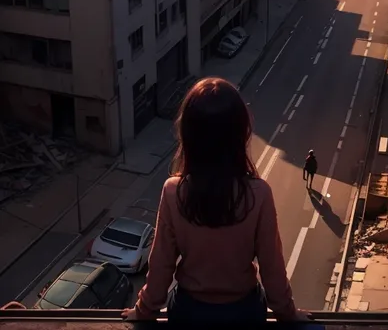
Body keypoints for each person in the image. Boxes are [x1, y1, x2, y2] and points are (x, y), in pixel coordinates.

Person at [122, 77, 308, 324]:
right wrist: (288, 314)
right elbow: (271, 267)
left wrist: (143, 312)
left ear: (188, 134)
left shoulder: (174, 191)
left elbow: (161, 265)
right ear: (240, 133)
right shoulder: (259, 193)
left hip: (189, 313)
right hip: (244, 313)